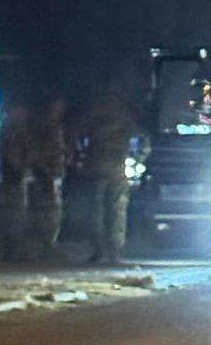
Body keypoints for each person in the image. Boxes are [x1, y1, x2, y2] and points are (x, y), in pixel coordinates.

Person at [81, 91, 134, 264]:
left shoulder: (94, 116)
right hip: (117, 169)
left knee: (97, 211)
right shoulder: (125, 117)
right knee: (116, 211)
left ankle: (100, 251)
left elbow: (81, 139)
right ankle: (114, 252)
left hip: (96, 168)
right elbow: (139, 140)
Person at [29, 97, 69, 259]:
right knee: (49, 209)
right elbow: (40, 152)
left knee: (52, 209)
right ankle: (47, 244)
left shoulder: (52, 128)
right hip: (47, 174)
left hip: (51, 173)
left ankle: (48, 243)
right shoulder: (46, 129)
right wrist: (46, 169)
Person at [0, 102, 33, 261]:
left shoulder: (12, 132)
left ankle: (16, 249)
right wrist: (21, 170)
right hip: (15, 178)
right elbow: (13, 157)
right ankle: (15, 250)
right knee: (15, 216)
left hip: (15, 177)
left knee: (16, 215)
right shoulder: (14, 133)